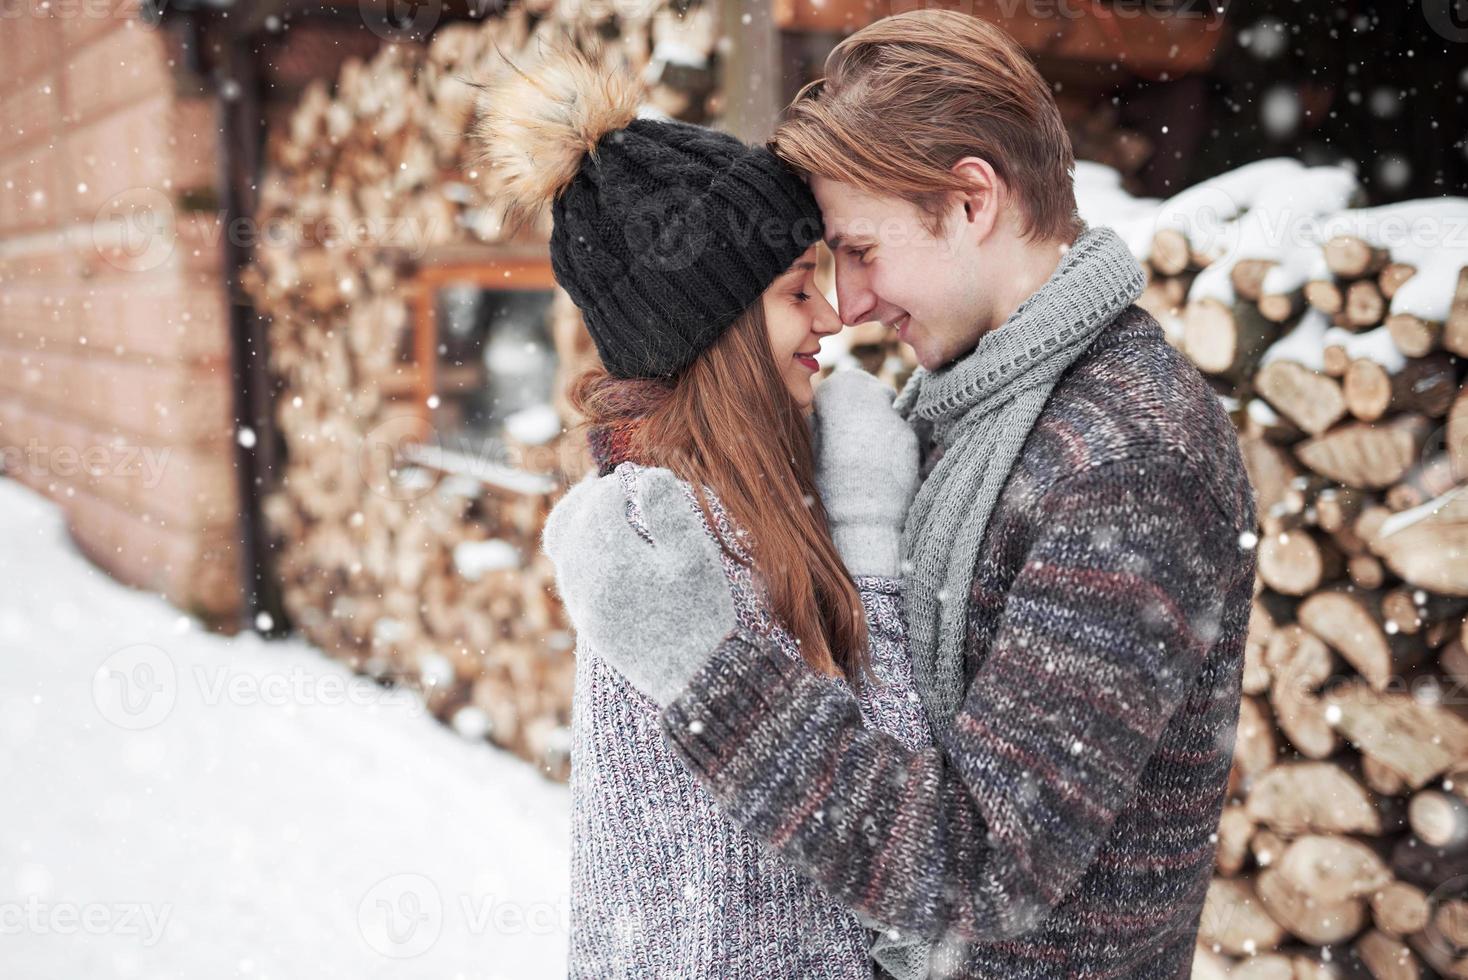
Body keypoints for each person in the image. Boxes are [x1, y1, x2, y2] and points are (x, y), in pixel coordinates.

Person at [545, 10, 1259, 979]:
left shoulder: (1127, 456)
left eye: (859, 248)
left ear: (970, 201)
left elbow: (985, 866)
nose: (851, 303)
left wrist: (712, 673)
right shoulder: (967, 397)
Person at [472, 47, 935, 977]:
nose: (831, 316)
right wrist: (873, 541)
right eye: (794, 291)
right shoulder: (683, 545)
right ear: (711, 332)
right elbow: (900, 881)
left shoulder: (691, 509)